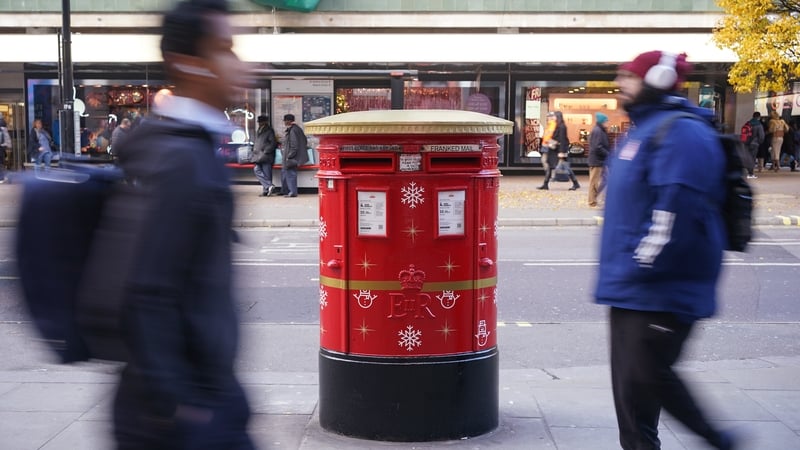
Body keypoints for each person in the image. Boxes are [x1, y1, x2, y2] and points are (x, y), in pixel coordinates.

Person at [110, 0, 254, 448]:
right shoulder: (181, 160)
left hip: (205, 394)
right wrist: (177, 406)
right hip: (183, 412)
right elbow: (146, 290)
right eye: (224, 49)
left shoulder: (190, 148)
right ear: (187, 63)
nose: (240, 65)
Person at [595, 50, 739, 450]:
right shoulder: (642, 130)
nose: (620, 83)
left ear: (657, 79)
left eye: (629, 76)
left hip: (659, 288)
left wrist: (638, 265)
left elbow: (674, 213)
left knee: (648, 375)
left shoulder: (682, 134)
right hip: (629, 288)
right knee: (632, 397)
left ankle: (719, 439)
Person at [537, 111, 580, 190]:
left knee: (565, 167)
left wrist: (561, 152)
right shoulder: (557, 125)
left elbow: (563, 140)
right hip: (554, 149)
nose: (553, 117)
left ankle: (575, 183)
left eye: (554, 116)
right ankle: (545, 184)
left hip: (559, 150)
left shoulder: (562, 127)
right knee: (550, 166)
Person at [280, 113, 308, 197]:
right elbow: (304, 141)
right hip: (294, 156)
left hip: (292, 157)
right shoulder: (297, 129)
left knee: (290, 174)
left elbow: (294, 146)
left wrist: (289, 156)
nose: (284, 122)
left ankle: (292, 192)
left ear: (288, 121)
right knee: (286, 172)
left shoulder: (292, 130)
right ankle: (285, 191)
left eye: (285, 121)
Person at [251, 114, 278, 196]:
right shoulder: (259, 130)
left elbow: (273, 143)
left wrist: (266, 151)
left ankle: (266, 191)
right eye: (259, 122)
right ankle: (269, 186)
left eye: (261, 122)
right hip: (259, 155)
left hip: (266, 156)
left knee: (267, 173)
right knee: (256, 169)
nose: (259, 123)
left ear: (265, 122)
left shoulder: (269, 130)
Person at [587, 111, 610, 207]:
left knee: (606, 179)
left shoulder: (600, 130)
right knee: (594, 182)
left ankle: (595, 197)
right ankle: (592, 201)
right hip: (597, 160)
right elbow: (597, 147)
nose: (608, 123)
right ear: (602, 122)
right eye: (606, 121)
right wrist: (608, 154)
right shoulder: (598, 131)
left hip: (600, 160)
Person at [743, 112, 764, 179]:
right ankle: (750, 173)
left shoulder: (747, 123)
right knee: (752, 158)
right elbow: (761, 136)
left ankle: (746, 171)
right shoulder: (759, 125)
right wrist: (759, 142)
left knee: (747, 157)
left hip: (746, 143)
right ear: (759, 117)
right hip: (754, 144)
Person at [0, 114, 11, 183]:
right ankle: (1, 178)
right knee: (1, 162)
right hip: (2, 147)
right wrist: (9, 145)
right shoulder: (3, 124)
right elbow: (6, 136)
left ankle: (1, 177)